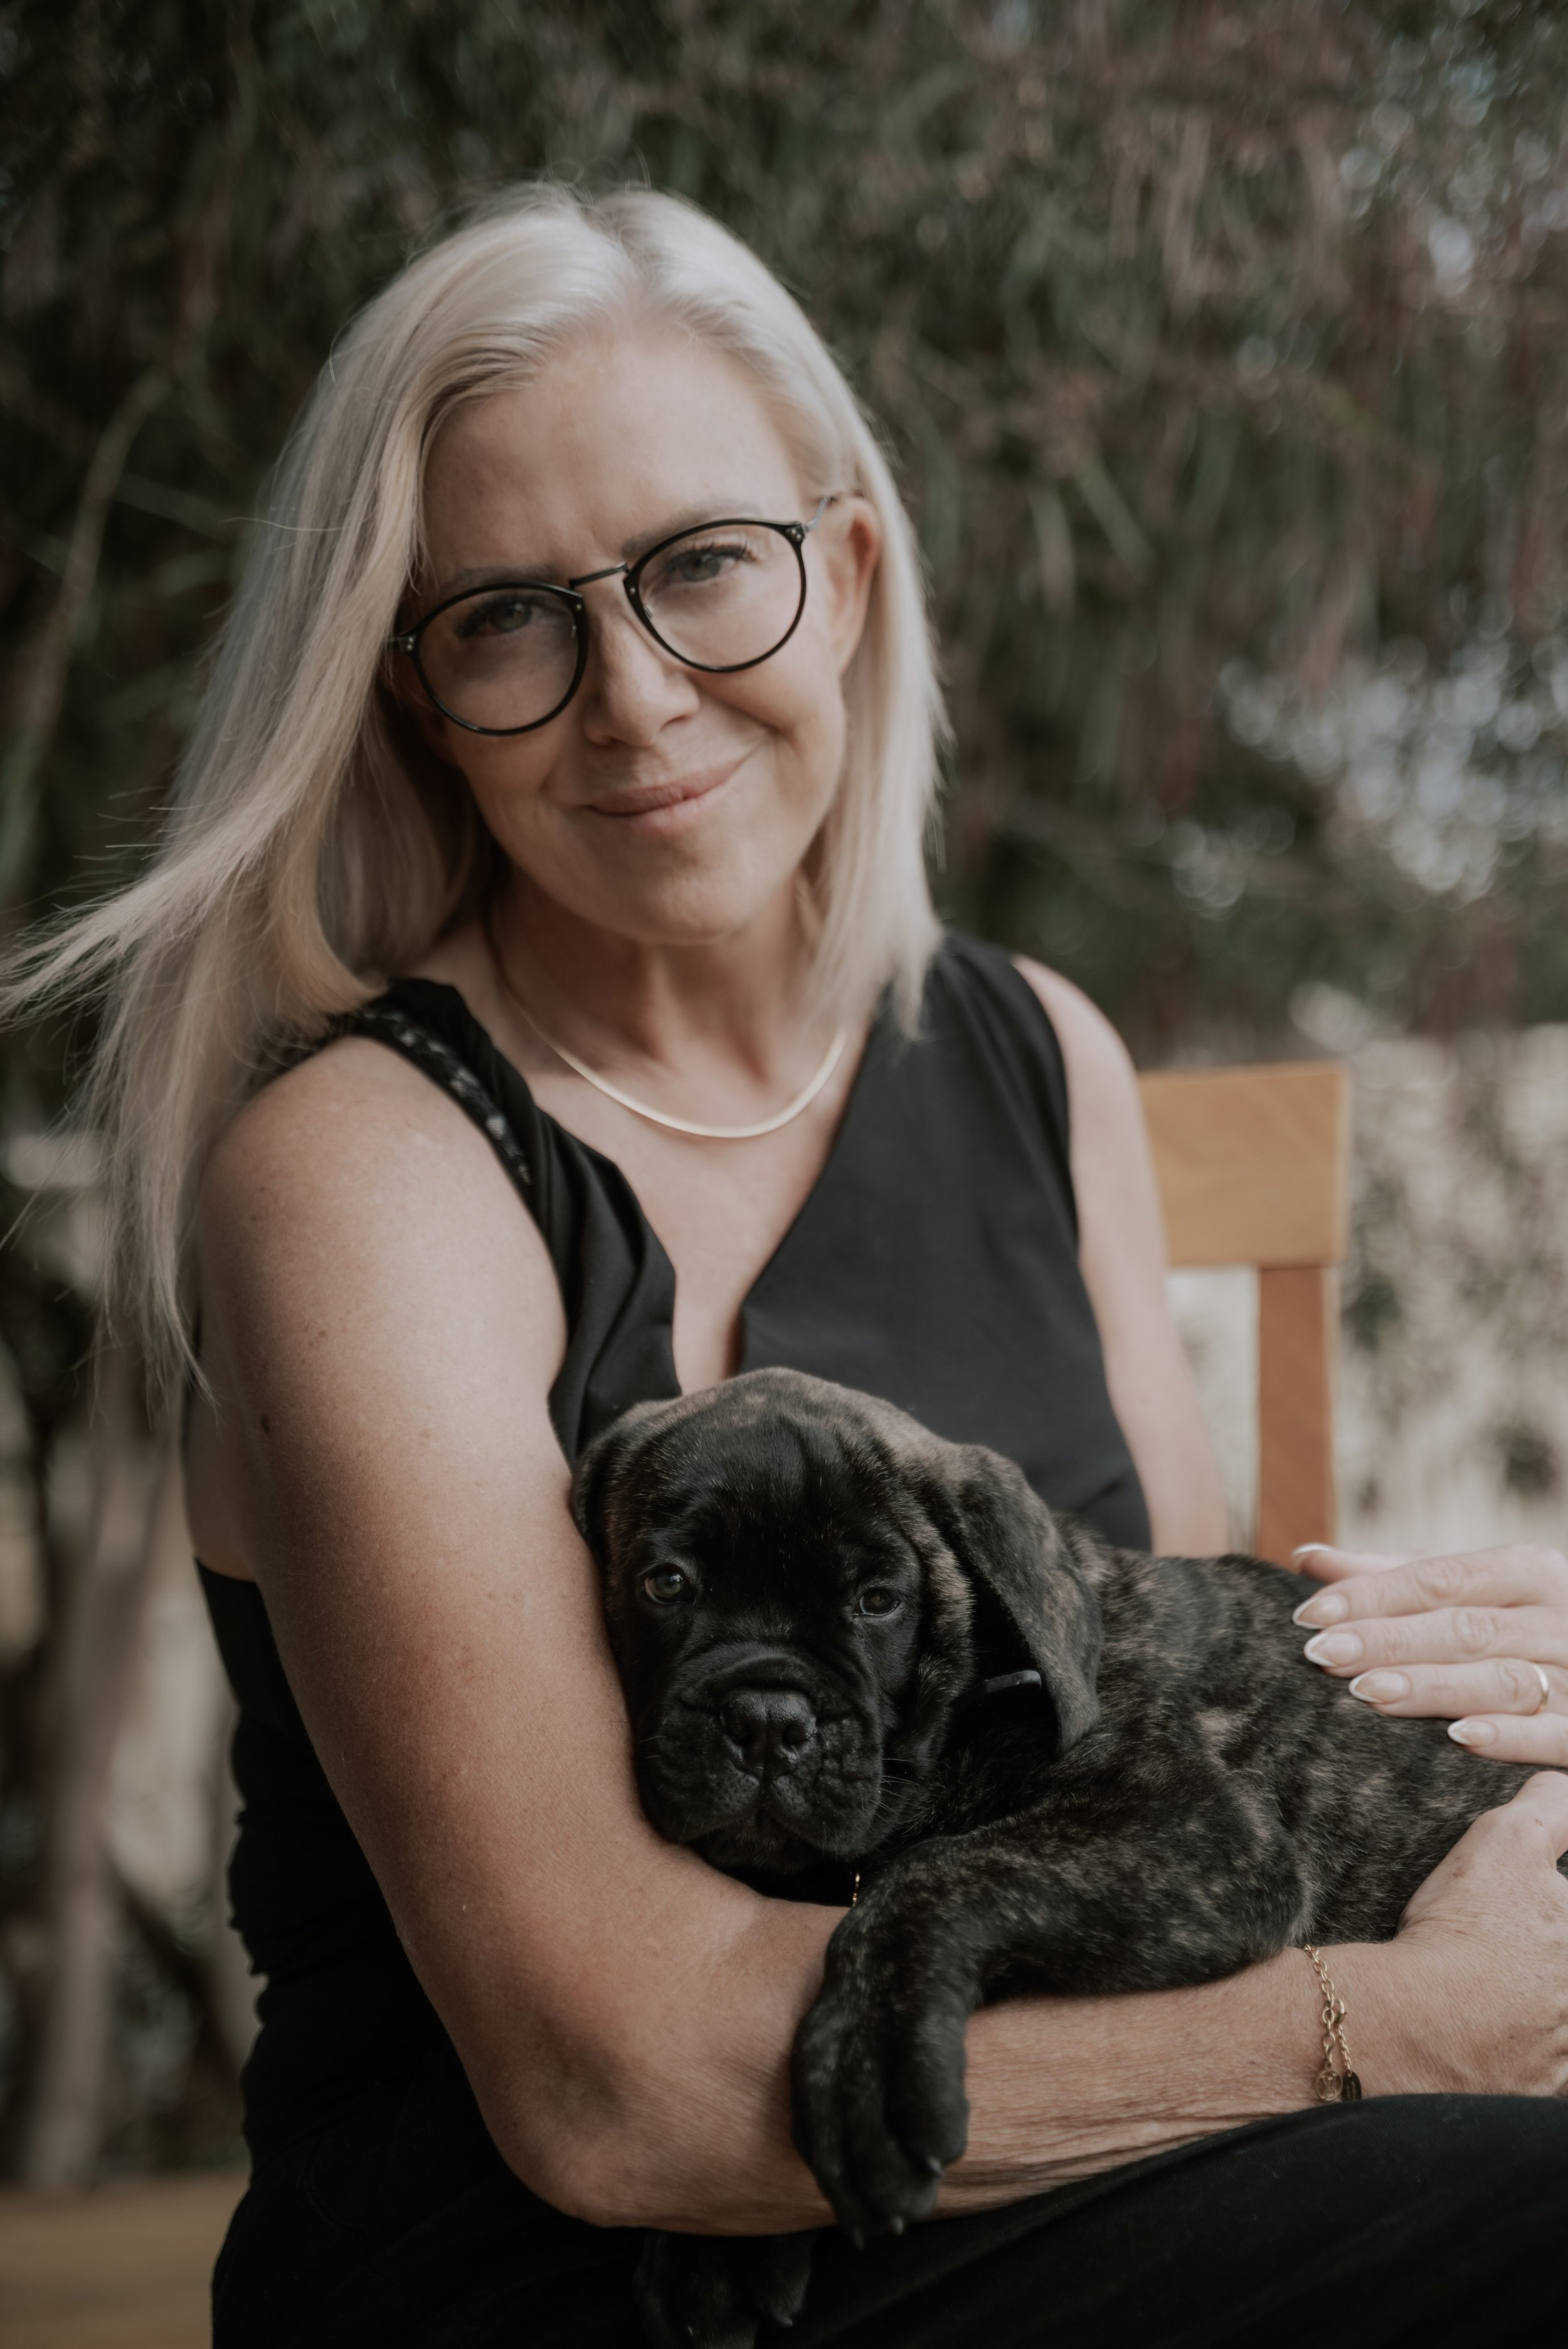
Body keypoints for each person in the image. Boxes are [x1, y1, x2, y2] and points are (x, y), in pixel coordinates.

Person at [12, 186, 1567, 2346]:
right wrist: (1400, 2025)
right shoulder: (364, 1174)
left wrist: (1477, 1673)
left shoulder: (1033, 1054)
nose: (636, 698)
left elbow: (1165, 1760)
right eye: (509, 617)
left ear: (842, 573)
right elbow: (619, 2093)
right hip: (573, 2273)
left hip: (1087, 2184)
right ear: (414, 695)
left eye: (701, 565)